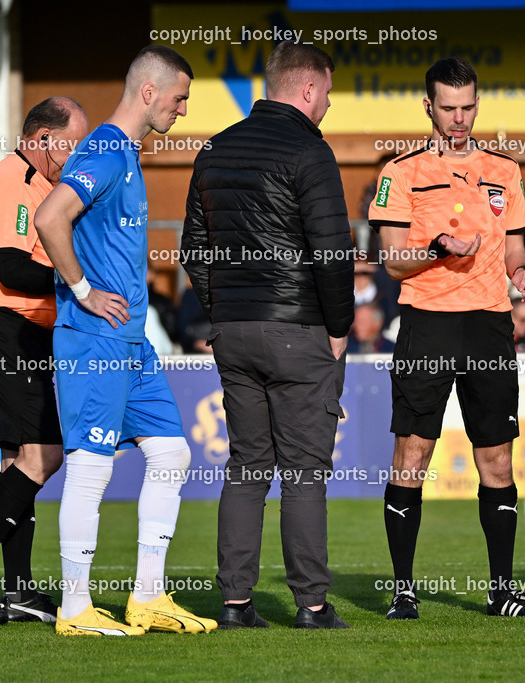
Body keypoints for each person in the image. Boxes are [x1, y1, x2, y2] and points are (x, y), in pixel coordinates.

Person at [34, 45, 216, 636]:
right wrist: (83, 289)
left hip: (130, 341)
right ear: (148, 93)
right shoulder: (107, 150)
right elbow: (49, 217)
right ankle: (74, 608)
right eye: (179, 97)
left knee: (171, 453)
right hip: (94, 338)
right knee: (90, 467)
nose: (182, 110)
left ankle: (148, 596)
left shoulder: (126, 153)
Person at [368, 57, 525, 620]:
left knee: (496, 460)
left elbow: (517, 245)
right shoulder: (398, 172)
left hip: (489, 326)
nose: (459, 118)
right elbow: (393, 261)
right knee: (412, 454)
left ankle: (501, 592)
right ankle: (404, 590)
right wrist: (437, 248)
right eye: (448, 108)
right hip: (427, 322)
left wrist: (522, 271)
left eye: (468, 106)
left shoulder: (505, 169)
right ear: (429, 107)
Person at [181, 40, 354, 630]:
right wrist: (339, 329)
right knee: (304, 473)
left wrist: (222, 309)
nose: (328, 105)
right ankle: (311, 604)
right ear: (307, 88)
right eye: (327, 93)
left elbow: (192, 249)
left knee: (247, 467)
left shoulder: (215, 148)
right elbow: (333, 253)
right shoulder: (311, 151)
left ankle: (234, 603)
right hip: (299, 330)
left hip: (233, 332)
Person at [0, 98, 89, 625]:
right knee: (45, 454)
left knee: (18, 460)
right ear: (44, 137)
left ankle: (19, 588)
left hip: (13, 330)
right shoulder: (15, 181)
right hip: (1, 327)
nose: (74, 155)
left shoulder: (40, 185)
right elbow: (11, 269)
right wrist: (80, 282)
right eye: (71, 143)